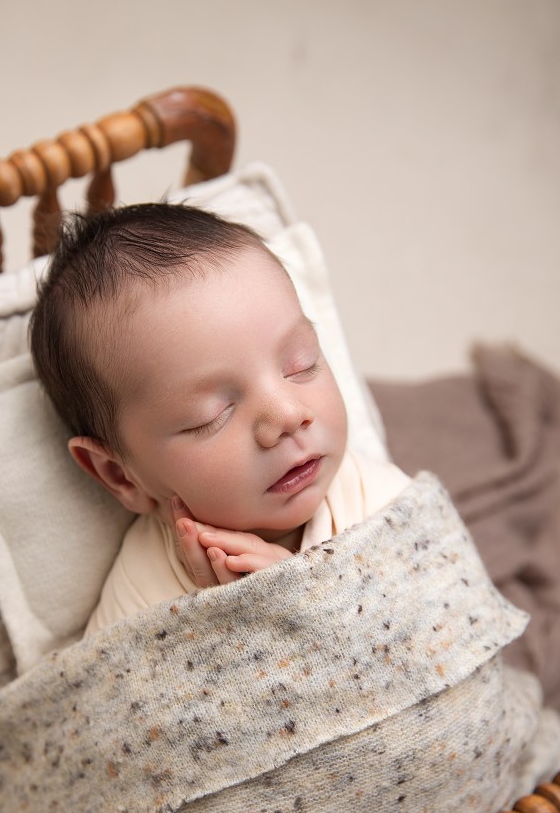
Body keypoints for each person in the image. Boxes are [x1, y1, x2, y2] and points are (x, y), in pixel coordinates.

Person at [29, 203, 411, 631]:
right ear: (119, 475)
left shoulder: (377, 496)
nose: (287, 415)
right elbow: (116, 696)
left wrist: (306, 600)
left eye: (301, 365)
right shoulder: (138, 598)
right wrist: (245, 627)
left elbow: (445, 627)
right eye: (210, 415)